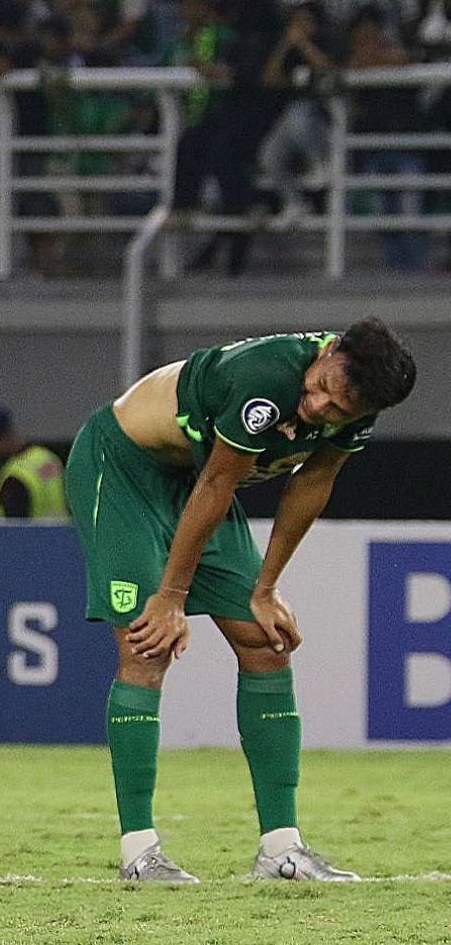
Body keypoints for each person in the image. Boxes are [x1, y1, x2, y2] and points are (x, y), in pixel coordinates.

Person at [64, 320, 417, 883]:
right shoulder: (266, 377)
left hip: (197, 479)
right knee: (147, 645)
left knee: (265, 642)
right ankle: (139, 851)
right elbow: (216, 485)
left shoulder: (359, 402)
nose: (316, 403)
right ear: (329, 351)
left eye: (333, 408)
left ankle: (282, 850)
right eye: (320, 385)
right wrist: (171, 597)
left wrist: (266, 588)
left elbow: (311, 483)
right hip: (125, 468)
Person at [0, 406, 66, 519]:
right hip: (63, 535)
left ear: (0, 440)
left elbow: (13, 532)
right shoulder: (47, 458)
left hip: (31, 536)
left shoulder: (15, 478)